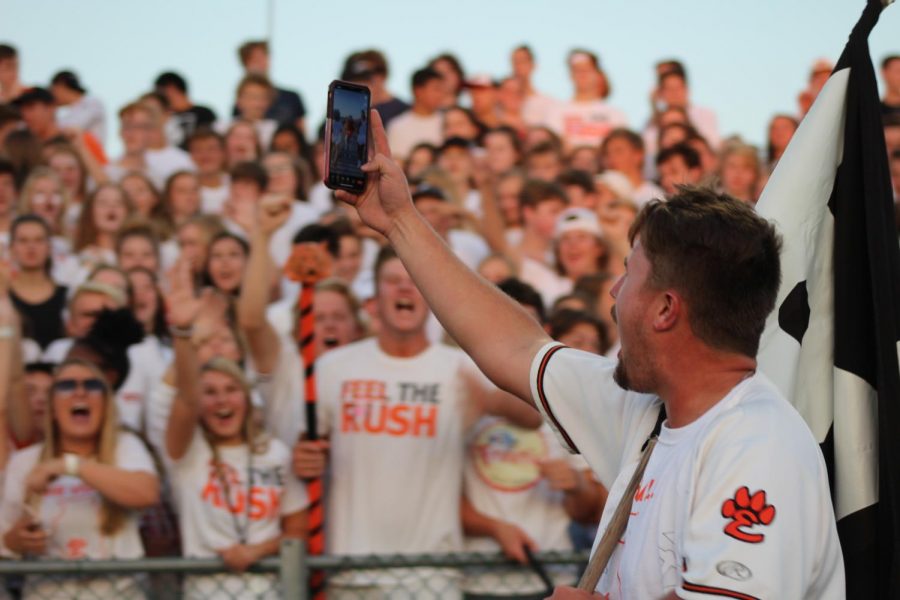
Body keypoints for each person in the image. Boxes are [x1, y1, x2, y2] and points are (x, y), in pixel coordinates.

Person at [333, 111, 844, 599]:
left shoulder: (758, 443)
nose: (614, 292)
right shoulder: (649, 410)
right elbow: (515, 348)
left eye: (629, 274)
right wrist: (399, 221)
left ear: (665, 309)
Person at [292, 245, 542, 599]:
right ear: (374, 298)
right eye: (392, 281)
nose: (404, 289)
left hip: (432, 576)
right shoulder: (334, 368)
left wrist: (489, 401)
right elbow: (305, 450)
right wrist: (304, 458)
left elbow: (533, 416)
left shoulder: (458, 368)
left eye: (413, 281)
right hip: (351, 573)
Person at [163, 259, 308, 599]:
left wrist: (256, 552)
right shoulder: (187, 453)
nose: (221, 401)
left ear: (246, 397)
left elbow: (298, 529)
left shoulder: (275, 453)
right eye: (209, 392)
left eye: (231, 390)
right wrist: (185, 335)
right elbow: (185, 397)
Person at [0, 358, 159, 599]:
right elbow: (5, 541)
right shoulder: (24, 462)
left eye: (93, 385)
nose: (80, 393)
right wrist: (16, 541)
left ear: (106, 404)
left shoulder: (125, 448)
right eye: (66, 386)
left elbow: (146, 493)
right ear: (52, 408)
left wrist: (70, 465)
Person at [545, 50, 626, 151]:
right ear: (571, 75)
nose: (582, 75)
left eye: (586, 70)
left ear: (598, 74)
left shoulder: (615, 114)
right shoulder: (556, 111)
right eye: (577, 70)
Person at [7, 215, 67, 350]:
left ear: (49, 247)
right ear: (11, 248)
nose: (31, 247)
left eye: (39, 240)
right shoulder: (3, 298)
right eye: (23, 241)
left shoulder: (67, 296)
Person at [234, 40, 307, 133]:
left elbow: (301, 132)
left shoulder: (291, 97)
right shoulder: (238, 108)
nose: (260, 63)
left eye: (263, 57)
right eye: (254, 59)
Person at [386, 67, 445, 160]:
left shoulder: (447, 122)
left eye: (442, 90)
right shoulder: (397, 126)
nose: (441, 95)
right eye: (436, 89)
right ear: (418, 91)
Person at [600, 129, 664, 207]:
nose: (611, 158)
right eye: (607, 154)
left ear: (638, 155)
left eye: (618, 151)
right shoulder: (600, 195)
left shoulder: (655, 197)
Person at [154, 71, 217, 147]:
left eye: (160, 92)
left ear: (171, 89)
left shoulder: (204, 113)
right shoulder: (165, 117)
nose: (160, 99)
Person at [511, 45, 558, 128]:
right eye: (515, 62)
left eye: (522, 61)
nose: (518, 66)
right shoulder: (503, 101)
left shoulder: (548, 103)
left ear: (533, 65)